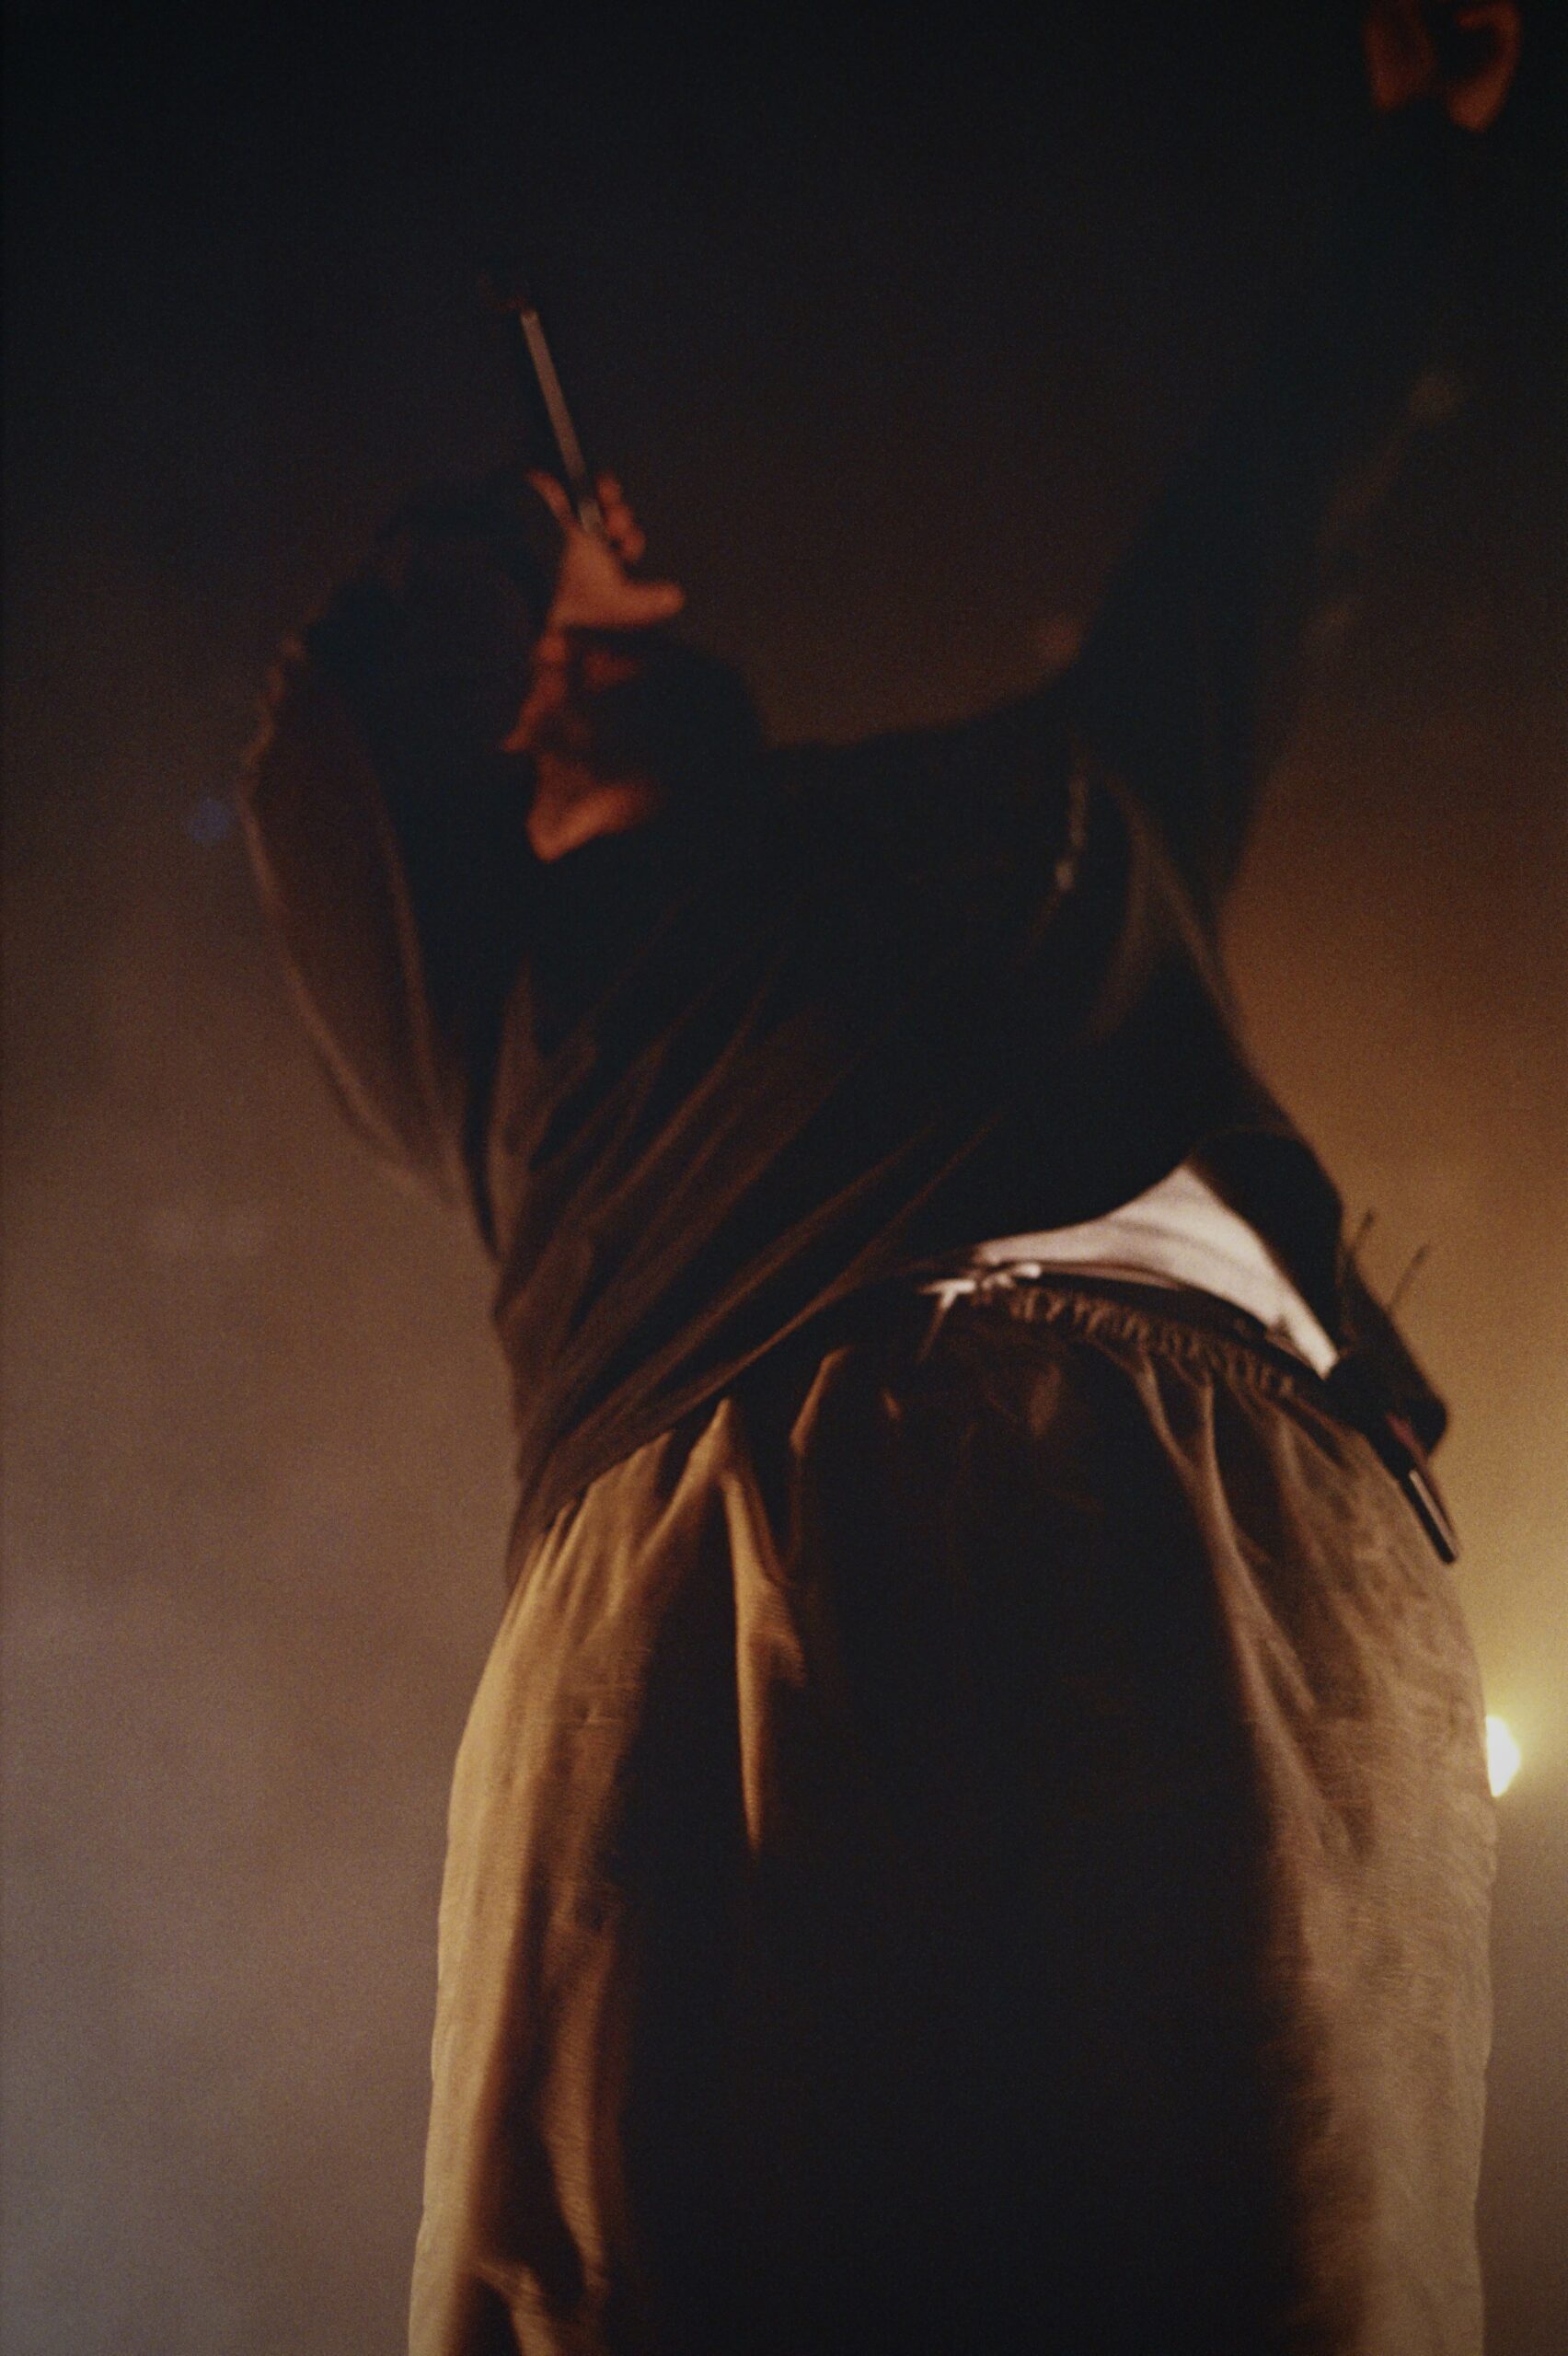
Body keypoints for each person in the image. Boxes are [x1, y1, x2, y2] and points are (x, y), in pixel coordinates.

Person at [242, 7, 1521, 2350]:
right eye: (527, 671)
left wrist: (1425, 166)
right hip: (712, 1529)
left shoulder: (1064, 795)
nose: (558, 675)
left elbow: (1265, 507)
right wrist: (521, 538)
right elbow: (322, 730)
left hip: (1215, 1516)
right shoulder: (505, 1016)